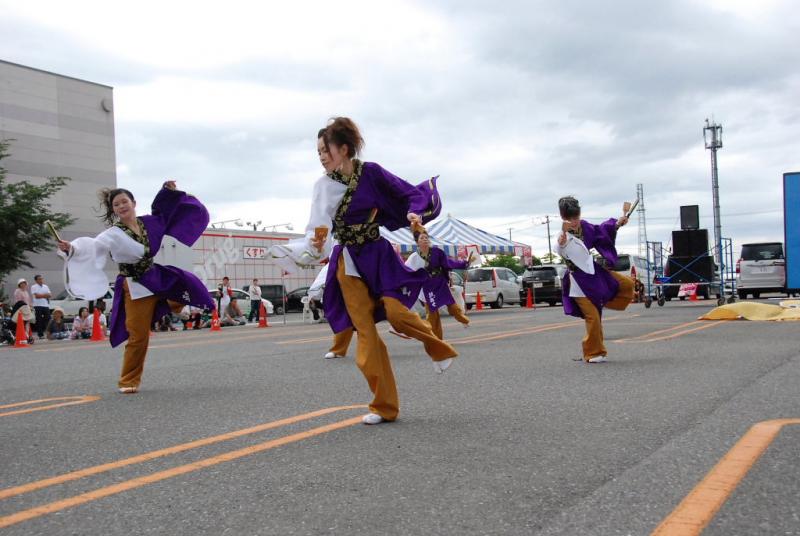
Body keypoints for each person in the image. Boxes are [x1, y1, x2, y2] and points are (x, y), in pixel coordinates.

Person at [297, 118, 457, 425]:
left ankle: (439, 348)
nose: (321, 157)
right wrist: (311, 247)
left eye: (325, 150)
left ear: (343, 149)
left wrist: (414, 211)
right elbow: (318, 227)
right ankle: (384, 406)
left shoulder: (370, 172)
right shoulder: (322, 186)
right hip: (347, 262)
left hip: (377, 254)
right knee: (366, 334)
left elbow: (407, 192)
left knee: (397, 314)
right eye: (317, 152)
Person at [57, 181, 214, 393]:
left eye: (124, 201)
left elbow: (166, 213)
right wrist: (71, 249)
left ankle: (172, 304)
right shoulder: (112, 234)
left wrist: (167, 192)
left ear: (133, 203)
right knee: (138, 335)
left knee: (191, 286)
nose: (121, 206)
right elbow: (92, 247)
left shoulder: (149, 223)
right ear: (113, 210)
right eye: (116, 204)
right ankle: (129, 380)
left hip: (155, 276)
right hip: (135, 285)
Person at [555, 196, 635, 363]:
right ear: (563, 217)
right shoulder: (562, 236)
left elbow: (602, 231)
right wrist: (562, 241)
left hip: (594, 273)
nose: (574, 221)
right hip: (578, 281)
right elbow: (560, 247)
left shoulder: (585, 227)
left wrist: (618, 223)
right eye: (570, 218)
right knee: (593, 316)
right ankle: (593, 352)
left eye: (576, 217)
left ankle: (605, 299)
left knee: (626, 284)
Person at [405, 226, 473, 339]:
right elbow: (406, 270)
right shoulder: (414, 257)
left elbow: (449, 263)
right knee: (432, 315)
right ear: (417, 242)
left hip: (439, 283)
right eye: (422, 238)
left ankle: (463, 320)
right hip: (427, 287)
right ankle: (437, 339)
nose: (425, 239)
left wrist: (463, 264)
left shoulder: (437, 252)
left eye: (426, 237)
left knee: (452, 307)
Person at [11, 279, 35, 344]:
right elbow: (18, 302)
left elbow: (28, 301)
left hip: (27, 309)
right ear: (19, 284)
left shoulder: (26, 292)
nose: (23, 284)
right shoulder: (17, 291)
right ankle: (23, 336)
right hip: (21, 309)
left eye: (24, 283)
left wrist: (31, 306)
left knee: (27, 323)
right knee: (22, 323)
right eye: (21, 283)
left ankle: (26, 336)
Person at [30, 275, 52, 339]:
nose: (41, 280)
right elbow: (36, 296)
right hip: (37, 305)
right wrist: (45, 295)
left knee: (48, 319)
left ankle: (49, 333)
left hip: (45, 305)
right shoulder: (33, 287)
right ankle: (40, 334)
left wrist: (42, 295)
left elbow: (50, 295)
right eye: (39, 279)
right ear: (36, 280)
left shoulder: (46, 286)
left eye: (42, 279)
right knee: (39, 320)